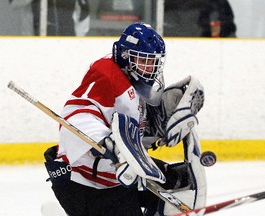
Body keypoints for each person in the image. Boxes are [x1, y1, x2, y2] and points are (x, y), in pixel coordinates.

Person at [44, 22, 207, 216]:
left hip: (113, 176)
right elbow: (77, 114)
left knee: (177, 181)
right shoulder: (106, 74)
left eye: (154, 62)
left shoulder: (133, 80)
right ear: (125, 56)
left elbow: (130, 131)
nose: (151, 68)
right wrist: (105, 141)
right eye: (144, 61)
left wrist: (157, 132)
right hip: (87, 184)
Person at [163, 0, 236, 37]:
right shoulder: (164, 5)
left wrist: (215, 41)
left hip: (209, 46)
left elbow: (221, 23)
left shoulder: (216, 4)